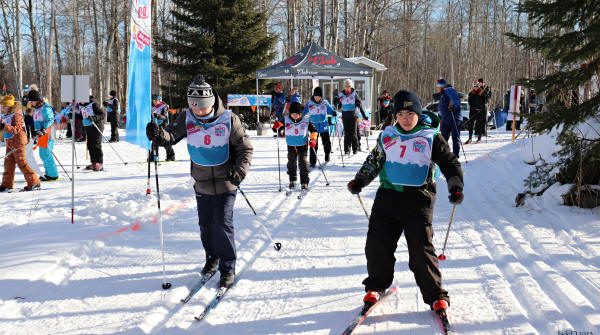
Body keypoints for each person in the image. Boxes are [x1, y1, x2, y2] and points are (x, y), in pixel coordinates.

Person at [347, 90, 464, 318]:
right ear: (395, 115)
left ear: (418, 114)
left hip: (418, 199)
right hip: (388, 197)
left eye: (410, 113)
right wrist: (360, 180)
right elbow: (374, 161)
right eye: (400, 113)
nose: (406, 118)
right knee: (377, 245)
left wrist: (455, 185)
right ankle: (376, 287)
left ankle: (436, 296)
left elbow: (450, 163)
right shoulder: (388, 135)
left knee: (420, 251)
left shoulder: (430, 136)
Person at [145, 75, 253, 289]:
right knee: (206, 226)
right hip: (202, 182)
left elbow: (245, 148)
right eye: (195, 109)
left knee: (222, 224)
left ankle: (227, 267)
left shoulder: (229, 119)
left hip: (226, 181)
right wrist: (158, 134)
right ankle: (212, 258)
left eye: (203, 109)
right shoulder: (187, 117)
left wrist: (239, 171)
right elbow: (172, 136)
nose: (199, 113)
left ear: (211, 104)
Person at [0, 95, 41, 192]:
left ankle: (34, 182)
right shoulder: (3, 115)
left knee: (22, 162)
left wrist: (5, 126)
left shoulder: (16, 115)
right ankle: (6, 184)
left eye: (4, 106)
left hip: (19, 142)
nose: (2, 108)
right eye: (2, 106)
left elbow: (17, 129)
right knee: (8, 163)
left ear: (9, 106)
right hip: (10, 142)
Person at [27, 89, 59, 181]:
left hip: (48, 133)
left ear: (37, 100)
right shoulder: (37, 109)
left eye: (32, 101)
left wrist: (43, 129)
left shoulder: (45, 108)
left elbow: (50, 120)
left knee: (46, 153)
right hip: (41, 134)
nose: (31, 103)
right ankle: (49, 173)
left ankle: (53, 175)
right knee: (42, 154)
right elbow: (36, 121)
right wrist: (36, 131)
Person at [285, 102, 317, 190]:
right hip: (291, 145)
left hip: (302, 145)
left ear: (300, 114)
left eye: (297, 114)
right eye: (293, 114)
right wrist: (278, 128)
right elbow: (278, 127)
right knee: (291, 163)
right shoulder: (286, 119)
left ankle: (304, 181)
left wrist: (313, 139)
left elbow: (314, 131)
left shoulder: (306, 120)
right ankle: (292, 179)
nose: (295, 116)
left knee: (303, 163)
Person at [303, 87, 336, 166]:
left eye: (318, 96)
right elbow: (304, 112)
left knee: (326, 142)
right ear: (313, 95)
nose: (317, 97)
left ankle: (327, 155)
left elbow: (330, 110)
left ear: (321, 96)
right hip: (313, 126)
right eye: (315, 96)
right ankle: (313, 162)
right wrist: (301, 117)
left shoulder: (325, 103)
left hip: (323, 124)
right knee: (313, 143)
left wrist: (333, 112)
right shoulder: (309, 103)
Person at [336, 79, 368, 155]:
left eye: (349, 86)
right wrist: (336, 102)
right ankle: (346, 150)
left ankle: (355, 149)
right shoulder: (340, 94)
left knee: (353, 133)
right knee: (346, 133)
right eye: (346, 86)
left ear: (351, 86)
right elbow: (339, 106)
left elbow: (360, 105)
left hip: (353, 116)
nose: (347, 88)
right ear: (344, 86)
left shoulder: (354, 94)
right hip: (345, 116)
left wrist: (364, 116)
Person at [435, 78, 462, 157]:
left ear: (442, 85)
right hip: (445, 119)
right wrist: (439, 114)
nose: (437, 87)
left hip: (454, 118)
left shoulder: (449, 89)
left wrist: (453, 106)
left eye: (439, 85)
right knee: (443, 138)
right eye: (437, 85)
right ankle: (444, 154)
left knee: (455, 137)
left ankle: (455, 155)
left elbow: (456, 100)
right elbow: (441, 106)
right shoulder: (443, 94)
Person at [81, 96, 106, 171]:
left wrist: (94, 118)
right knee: (90, 145)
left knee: (96, 144)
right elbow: (82, 116)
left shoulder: (94, 104)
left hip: (97, 126)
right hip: (88, 127)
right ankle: (94, 162)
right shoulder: (82, 106)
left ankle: (100, 163)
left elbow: (102, 114)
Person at [150, 94, 175, 161]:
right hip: (156, 127)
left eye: (156, 101)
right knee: (154, 142)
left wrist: (158, 115)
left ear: (159, 100)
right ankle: (154, 157)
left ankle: (170, 156)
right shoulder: (153, 108)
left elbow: (165, 117)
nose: (154, 102)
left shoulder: (164, 107)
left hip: (164, 126)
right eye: (153, 101)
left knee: (166, 142)